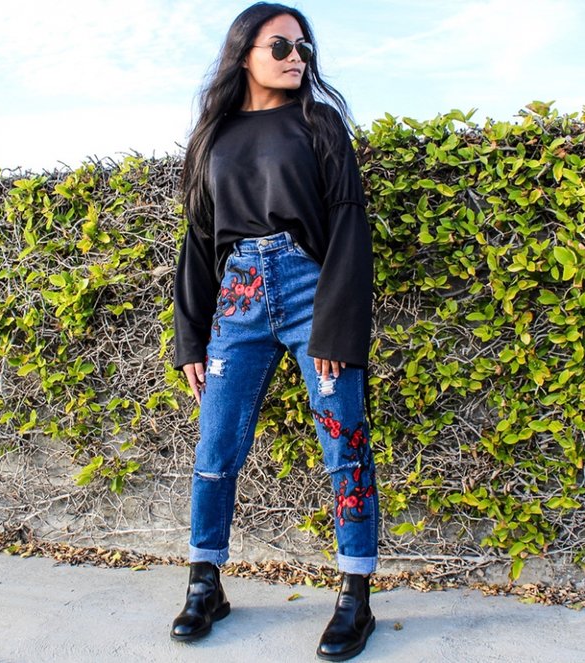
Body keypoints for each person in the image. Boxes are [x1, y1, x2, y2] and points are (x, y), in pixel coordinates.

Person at [170, 2, 378, 660]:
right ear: (244, 54)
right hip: (237, 297)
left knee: (344, 440)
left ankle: (356, 596)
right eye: (281, 46)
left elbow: (348, 223)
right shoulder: (213, 136)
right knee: (216, 445)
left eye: (303, 48)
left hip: (309, 286)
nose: (297, 58)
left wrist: (337, 329)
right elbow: (198, 239)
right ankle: (205, 584)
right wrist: (190, 337)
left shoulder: (319, 122)